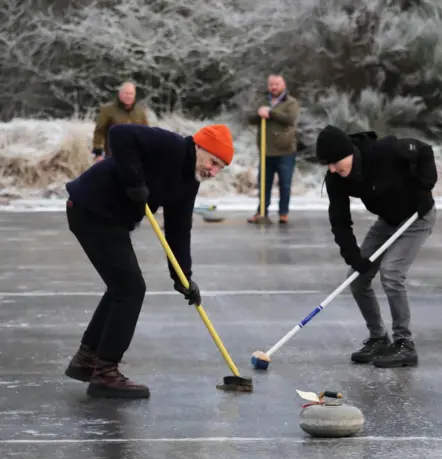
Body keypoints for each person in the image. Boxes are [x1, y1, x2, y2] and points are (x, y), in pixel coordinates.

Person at [64, 123, 235, 398]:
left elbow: (179, 229)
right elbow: (119, 133)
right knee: (130, 289)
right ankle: (105, 372)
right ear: (199, 147)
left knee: (122, 287)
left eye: (220, 168)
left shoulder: (189, 181)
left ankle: (88, 360)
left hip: (110, 220)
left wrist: (183, 277)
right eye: (213, 162)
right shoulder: (172, 146)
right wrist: (134, 181)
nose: (213, 171)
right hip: (90, 209)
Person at [314, 125, 437, 368]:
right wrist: (353, 257)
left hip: (417, 217)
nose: (332, 169)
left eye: (335, 162)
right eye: (327, 164)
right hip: (388, 221)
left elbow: (424, 151)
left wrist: (425, 187)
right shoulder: (336, 179)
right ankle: (378, 338)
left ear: (350, 153)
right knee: (357, 279)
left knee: (391, 273)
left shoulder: (384, 151)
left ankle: (404, 344)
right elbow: (340, 221)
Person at [246, 74, 300, 225]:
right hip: (266, 151)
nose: (274, 87)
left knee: (285, 183)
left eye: (277, 84)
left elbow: (290, 119)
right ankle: (261, 212)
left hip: (285, 151)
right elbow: (250, 118)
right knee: (264, 183)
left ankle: (283, 213)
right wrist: (259, 113)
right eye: (271, 84)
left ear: (283, 85)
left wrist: (271, 112)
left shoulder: (291, 103)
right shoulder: (262, 102)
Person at [92, 82, 149, 161]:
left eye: (131, 94)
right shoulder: (108, 110)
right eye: (126, 93)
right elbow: (99, 131)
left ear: (134, 95)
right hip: (112, 156)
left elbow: (146, 134)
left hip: (135, 157)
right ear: (120, 94)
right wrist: (98, 152)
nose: (128, 96)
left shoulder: (140, 112)